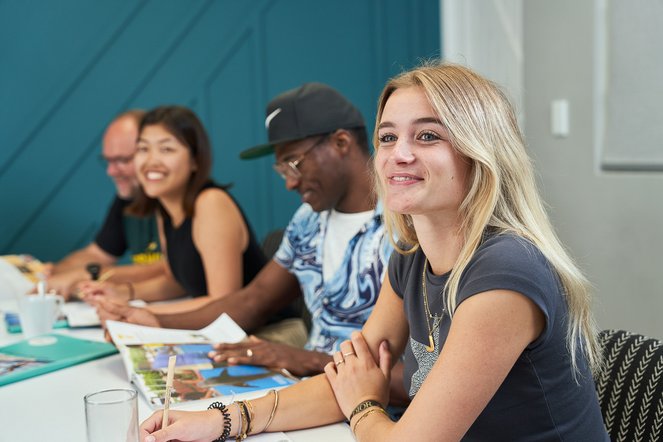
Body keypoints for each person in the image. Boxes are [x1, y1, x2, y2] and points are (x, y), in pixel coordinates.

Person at [137, 63, 609, 442]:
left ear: (482, 152)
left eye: (427, 136)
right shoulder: (410, 255)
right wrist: (221, 419)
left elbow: (369, 401)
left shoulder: (506, 272)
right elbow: (349, 377)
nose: (397, 154)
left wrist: (364, 405)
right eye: (388, 137)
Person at [97, 83, 398, 382]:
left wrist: (300, 359)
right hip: (313, 389)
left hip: (371, 405)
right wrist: (156, 322)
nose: (290, 183)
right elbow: (254, 300)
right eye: (282, 169)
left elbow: (416, 376)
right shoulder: (308, 220)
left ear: (341, 143)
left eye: (294, 163)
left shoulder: (403, 228)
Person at [82, 106, 267, 315]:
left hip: (266, 335)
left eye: (166, 149)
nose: (151, 161)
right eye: (143, 149)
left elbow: (223, 302)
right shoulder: (166, 209)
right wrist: (121, 293)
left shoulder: (212, 203)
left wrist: (137, 313)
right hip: (218, 332)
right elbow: (175, 281)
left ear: (195, 160)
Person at [45, 110, 164, 299]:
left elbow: (173, 271)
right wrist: (56, 271)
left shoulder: (180, 200)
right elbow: (98, 253)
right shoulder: (128, 198)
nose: (111, 171)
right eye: (108, 161)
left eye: (122, 160)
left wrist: (90, 275)